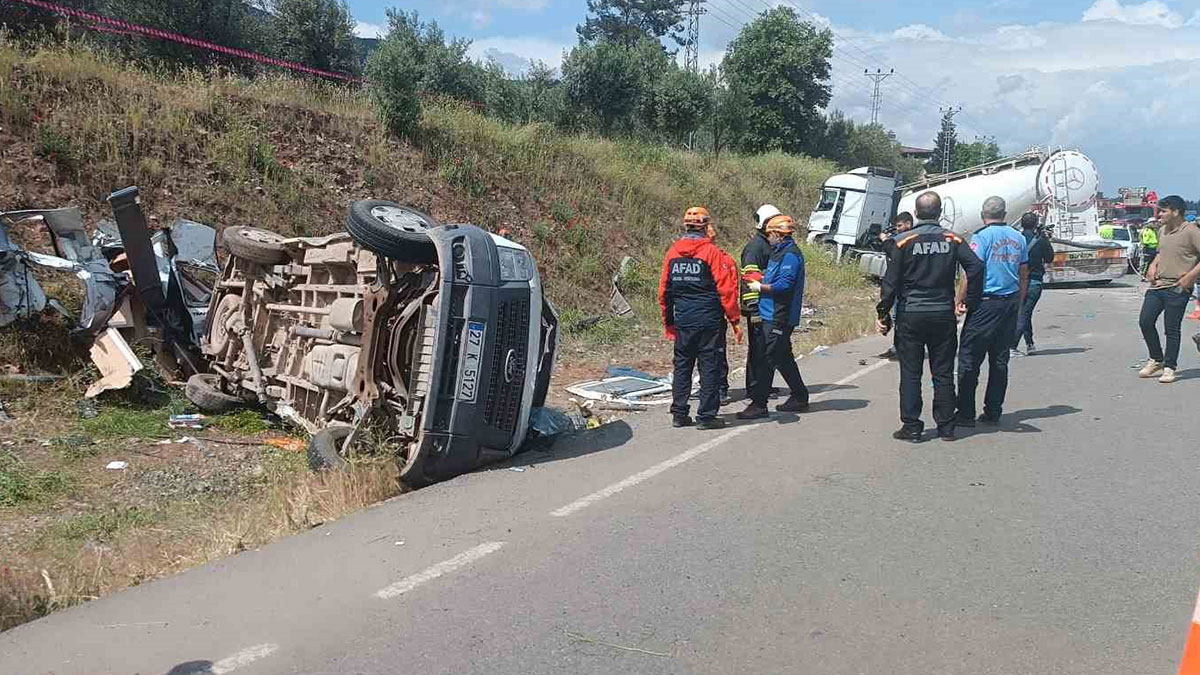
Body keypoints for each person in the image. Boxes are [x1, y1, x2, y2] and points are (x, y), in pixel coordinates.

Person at [877, 193, 983, 442]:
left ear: (916, 212)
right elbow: (976, 267)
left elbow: (890, 283)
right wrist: (969, 300)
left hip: (911, 314)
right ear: (939, 212)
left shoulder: (902, 241)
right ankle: (946, 427)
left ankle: (912, 427)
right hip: (942, 313)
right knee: (943, 372)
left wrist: (883, 314)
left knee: (911, 373)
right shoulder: (953, 239)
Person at [658, 206, 742, 430]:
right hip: (709, 322)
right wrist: (734, 321)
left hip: (683, 320)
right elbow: (727, 291)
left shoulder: (673, 252)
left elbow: (664, 291)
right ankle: (706, 416)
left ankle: (679, 413)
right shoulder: (712, 253)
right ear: (706, 227)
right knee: (709, 367)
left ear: (685, 226)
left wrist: (668, 322)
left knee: (682, 366)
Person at [955, 196, 1028, 427]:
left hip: (986, 304)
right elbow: (1024, 272)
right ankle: (993, 410)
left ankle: (966, 413)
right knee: (999, 360)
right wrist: (1020, 301)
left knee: (969, 359)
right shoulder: (1019, 238)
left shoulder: (981, 237)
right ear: (1005, 215)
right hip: (1009, 302)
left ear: (982, 215)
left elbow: (971, 272)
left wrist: (959, 299)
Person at [738, 214, 809, 419]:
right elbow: (774, 277)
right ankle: (800, 395)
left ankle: (759, 404)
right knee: (782, 356)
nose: (768, 238)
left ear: (778, 234)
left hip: (779, 315)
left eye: (770, 235)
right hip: (771, 312)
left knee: (766, 358)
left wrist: (760, 287)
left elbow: (785, 285)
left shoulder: (790, 255)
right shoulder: (778, 253)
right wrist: (761, 279)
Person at [1137, 195, 1200, 383]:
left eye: (1163, 211)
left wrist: (1190, 277)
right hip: (1158, 285)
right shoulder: (1162, 230)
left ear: (1175, 212)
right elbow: (1160, 253)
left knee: (1171, 329)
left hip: (1178, 287)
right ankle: (1156, 358)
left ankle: (1169, 366)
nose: (1159, 215)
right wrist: (1152, 266)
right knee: (1145, 321)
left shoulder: (1192, 231)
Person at [739, 204, 780, 403]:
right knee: (758, 348)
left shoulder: (768, 244)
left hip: (766, 305)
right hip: (757, 307)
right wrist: (754, 309)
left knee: (766, 348)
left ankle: (763, 385)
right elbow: (749, 279)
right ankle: (754, 389)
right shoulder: (756, 248)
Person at [1013, 212, 1055, 356]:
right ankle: (1013, 346)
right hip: (1034, 282)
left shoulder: (1016, 238)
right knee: (1024, 314)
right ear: (1036, 223)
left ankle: (1029, 343)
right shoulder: (1040, 239)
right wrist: (1045, 239)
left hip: (1017, 282)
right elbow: (1049, 258)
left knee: (1024, 313)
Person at [706, 221, 736, 404]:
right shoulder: (691, 257)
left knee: (717, 352)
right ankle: (709, 386)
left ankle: (721, 388)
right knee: (704, 354)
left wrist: (733, 317)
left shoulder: (724, 260)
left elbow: (731, 289)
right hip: (702, 314)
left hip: (715, 314)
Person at [879, 211, 915, 360]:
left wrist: (885, 240)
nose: (898, 229)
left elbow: (892, 250)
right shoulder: (901, 239)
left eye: (900, 225)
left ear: (909, 224)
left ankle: (902, 349)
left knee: (901, 318)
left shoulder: (908, 239)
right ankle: (897, 347)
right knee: (896, 317)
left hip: (905, 286)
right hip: (898, 286)